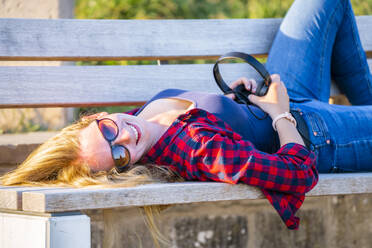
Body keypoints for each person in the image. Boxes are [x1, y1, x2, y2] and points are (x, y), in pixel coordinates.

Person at [1, 0, 371, 233]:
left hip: (282, 94)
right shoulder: (197, 150)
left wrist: (235, 99)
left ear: (96, 116)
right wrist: (279, 115)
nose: (126, 138)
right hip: (319, 137)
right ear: (123, 169)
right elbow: (298, 175)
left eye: (110, 131)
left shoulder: (137, 119)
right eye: (118, 156)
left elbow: (217, 121)